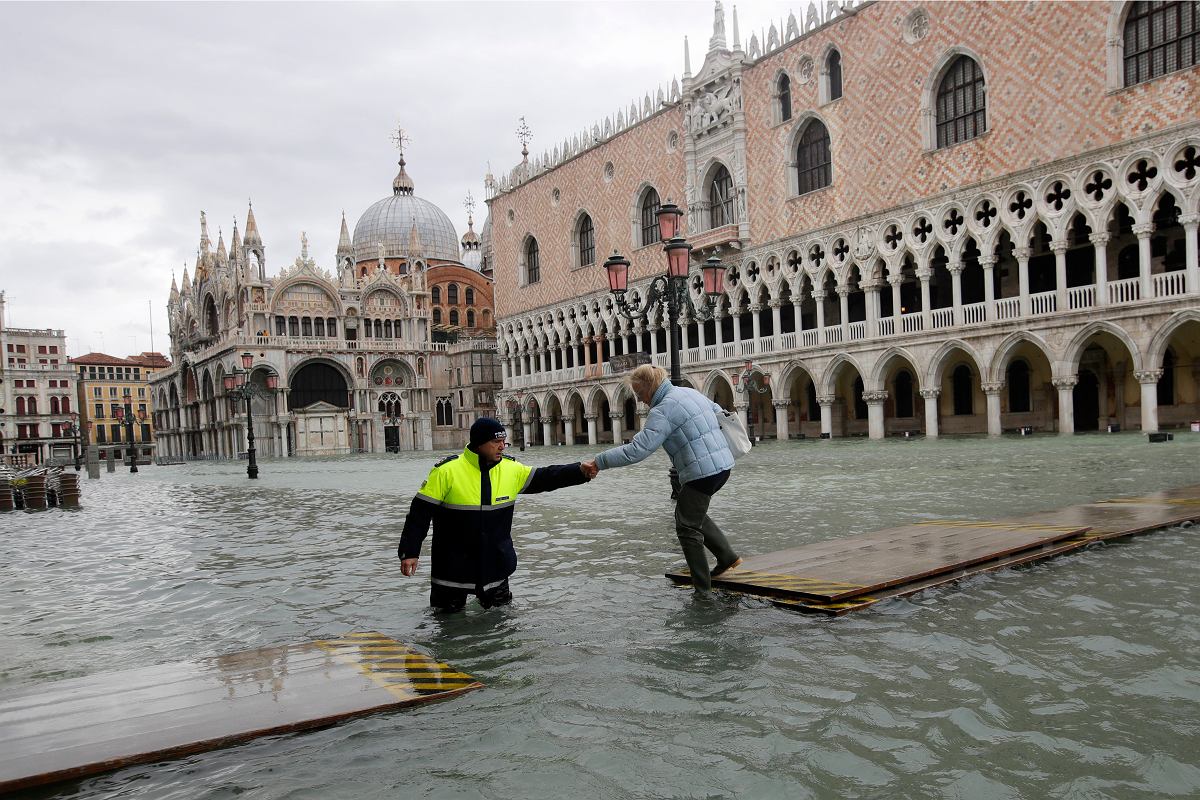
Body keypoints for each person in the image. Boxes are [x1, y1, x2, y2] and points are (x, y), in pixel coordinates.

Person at [398, 417, 592, 611]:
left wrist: (579, 471)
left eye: (503, 441)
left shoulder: (511, 469)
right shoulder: (446, 471)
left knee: (502, 626)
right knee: (447, 627)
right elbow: (419, 514)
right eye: (496, 442)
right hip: (452, 569)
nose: (502, 447)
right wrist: (410, 552)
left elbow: (547, 477)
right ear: (479, 444)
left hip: (496, 568)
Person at [583, 364, 741, 591]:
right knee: (691, 514)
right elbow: (718, 410)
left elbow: (637, 450)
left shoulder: (663, 410)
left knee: (686, 526)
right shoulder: (688, 392)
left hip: (702, 472)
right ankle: (727, 557)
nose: (640, 400)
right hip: (723, 465)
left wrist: (600, 461)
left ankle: (702, 589)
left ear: (650, 387)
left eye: (640, 394)